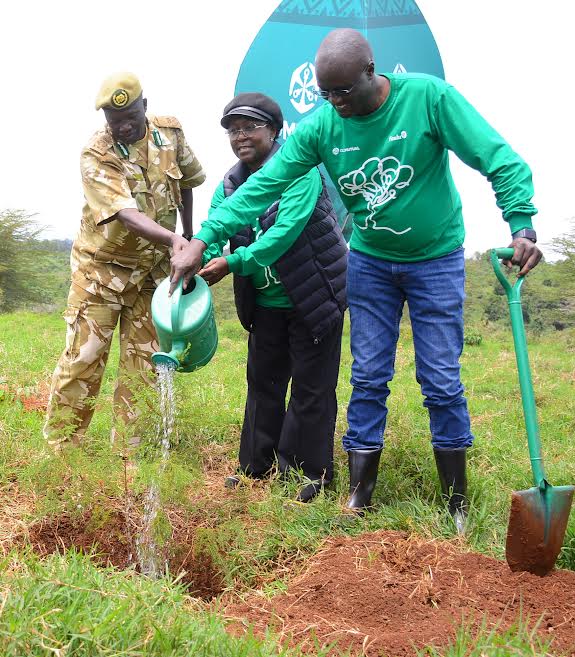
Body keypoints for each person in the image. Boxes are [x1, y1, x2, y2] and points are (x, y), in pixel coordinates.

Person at [170, 29, 542, 529]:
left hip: (436, 259)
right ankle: (359, 494)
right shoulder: (323, 126)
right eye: (326, 94)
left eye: (344, 91)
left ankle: (455, 501)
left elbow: (495, 156)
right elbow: (262, 187)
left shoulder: (428, 99)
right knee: (368, 375)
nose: (336, 103)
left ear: (371, 71)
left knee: (440, 379)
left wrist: (520, 222)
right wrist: (203, 239)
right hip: (369, 261)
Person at [44, 72, 205, 450]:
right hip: (101, 273)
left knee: (144, 366)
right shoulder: (97, 152)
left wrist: (191, 235)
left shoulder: (171, 134)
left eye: (130, 116)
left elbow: (187, 184)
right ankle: (63, 451)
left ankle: (130, 455)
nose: (122, 125)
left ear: (145, 107)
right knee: (82, 362)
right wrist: (177, 241)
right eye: (114, 120)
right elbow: (125, 213)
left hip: (152, 275)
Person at [200, 92, 347, 502]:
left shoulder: (301, 172)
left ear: (276, 131)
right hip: (267, 303)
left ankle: (307, 473)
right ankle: (255, 468)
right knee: (262, 383)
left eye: (251, 127)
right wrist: (203, 258)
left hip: (314, 295)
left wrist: (232, 263)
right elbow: (215, 228)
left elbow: (284, 235)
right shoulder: (230, 183)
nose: (241, 136)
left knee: (311, 388)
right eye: (233, 130)